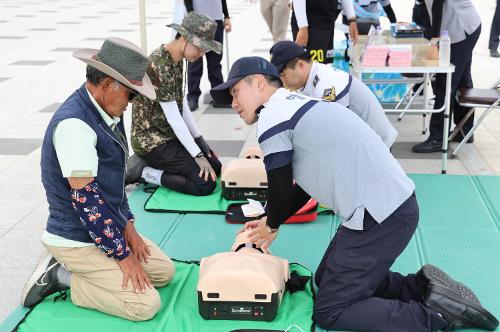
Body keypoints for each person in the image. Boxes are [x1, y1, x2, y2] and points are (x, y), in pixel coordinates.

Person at [211, 56, 499, 331]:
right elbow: (300, 190)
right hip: (389, 207)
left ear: (259, 83)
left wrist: (270, 224)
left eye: (236, 92)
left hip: (381, 216)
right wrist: (270, 218)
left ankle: (435, 315)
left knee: (331, 309)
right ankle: (422, 288)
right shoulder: (293, 104)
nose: (234, 103)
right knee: (325, 279)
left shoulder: (272, 117)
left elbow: (281, 190)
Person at [21, 38, 176, 321]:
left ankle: (89, 267)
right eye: (131, 95)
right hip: (76, 238)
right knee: (145, 306)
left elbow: (113, 184)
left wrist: (130, 229)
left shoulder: (105, 111)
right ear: (107, 84)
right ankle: (60, 276)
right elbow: (87, 201)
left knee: (164, 273)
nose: (132, 104)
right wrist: (122, 255)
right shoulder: (75, 126)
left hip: (104, 230)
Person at [127, 12, 223, 196]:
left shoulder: (177, 59)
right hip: (151, 140)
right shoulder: (160, 64)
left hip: (168, 135)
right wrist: (197, 155)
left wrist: (200, 142)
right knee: (204, 184)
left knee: (214, 168)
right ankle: (144, 173)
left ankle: (153, 164)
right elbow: (174, 118)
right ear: (185, 38)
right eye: (200, 48)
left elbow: (181, 104)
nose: (201, 54)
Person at [270, 40, 397, 148]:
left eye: (283, 74)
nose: (282, 81)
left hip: (378, 145)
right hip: (363, 142)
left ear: (300, 65)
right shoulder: (310, 80)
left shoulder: (326, 83)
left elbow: (334, 131)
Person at [413, 0, 482, 153]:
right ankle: (464, 130)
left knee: (446, 82)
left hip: (461, 28)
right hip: (461, 27)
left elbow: (437, 3)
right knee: (462, 79)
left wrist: (435, 40)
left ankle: (437, 138)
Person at [184, 0, 231, 110]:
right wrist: (191, 15)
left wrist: (226, 16)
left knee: (215, 63)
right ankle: (192, 97)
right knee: (194, 62)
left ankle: (219, 97)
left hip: (217, 20)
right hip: (197, 21)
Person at [291, 0, 359, 64]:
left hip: (328, 22)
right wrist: (302, 27)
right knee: (309, 66)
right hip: (309, 24)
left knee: (325, 65)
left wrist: (352, 19)